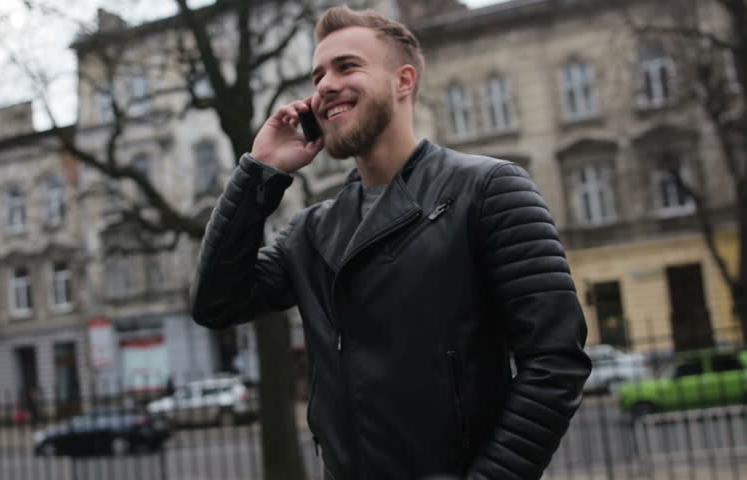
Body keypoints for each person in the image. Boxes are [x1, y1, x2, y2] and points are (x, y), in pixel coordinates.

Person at [192, 6, 591, 480]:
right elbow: (215, 303)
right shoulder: (311, 231)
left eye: (347, 67)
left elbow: (555, 360)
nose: (324, 85)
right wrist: (259, 172)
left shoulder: (488, 191)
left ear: (404, 81)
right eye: (317, 74)